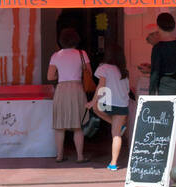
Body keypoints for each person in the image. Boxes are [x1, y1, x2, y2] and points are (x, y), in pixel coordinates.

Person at [47, 27, 91, 163]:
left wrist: (60, 75)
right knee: (78, 125)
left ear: (61, 40)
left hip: (61, 89)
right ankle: (80, 156)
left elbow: (50, 77)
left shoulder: (56, 55)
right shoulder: (82, 54)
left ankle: (59, 155)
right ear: (76, 39)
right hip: (77, 88)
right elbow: (89, 72)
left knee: (60, 125)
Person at [91, 42, 132, 171]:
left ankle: (117, 125)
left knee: (96, 108)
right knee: (116, 134)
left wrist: (93, 101)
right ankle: (113, 164)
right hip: (122, 104)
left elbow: (101, 85)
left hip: (108, 102)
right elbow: (127, 89)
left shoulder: (103, 67)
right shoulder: (124, 71)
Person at [149, 12, 176, 107]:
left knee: (167, 113)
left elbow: (155, 72)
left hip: (165, 87)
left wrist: (151, 93)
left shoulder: (158, 48)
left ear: (158, 26)